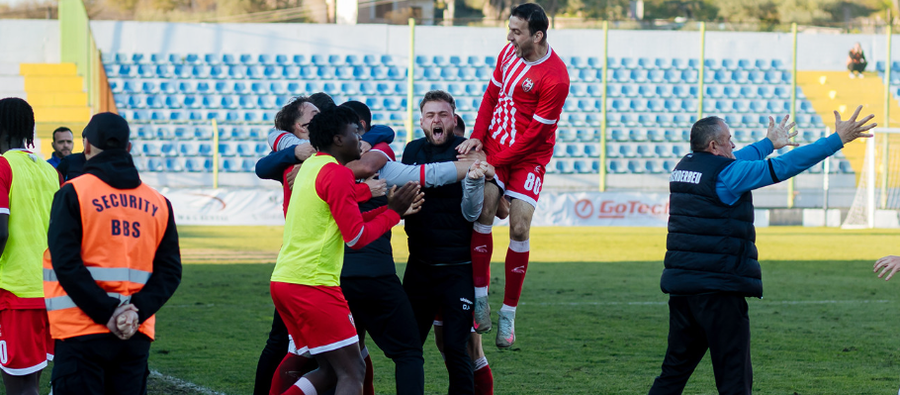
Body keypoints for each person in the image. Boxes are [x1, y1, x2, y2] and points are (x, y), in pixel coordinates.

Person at [647, 106, 876, 395]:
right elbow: (784, 166)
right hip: (718, 291)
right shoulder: (728, 175)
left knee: (672, 374)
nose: (734, 144)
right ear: (714, 145)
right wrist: (836, 140)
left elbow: (737, 159)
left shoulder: (686, 167)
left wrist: (769, 143)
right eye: (729, 139)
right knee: (734, 381)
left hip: (683, 290)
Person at [270, 107, 420, 395]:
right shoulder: (336, 174)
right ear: (339, 139)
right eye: (355, 132)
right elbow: (356, 238)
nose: (360, 138)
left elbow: (343, 221)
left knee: (329, 370)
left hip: (287, 280)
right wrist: (393, 214)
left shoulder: (311, 167)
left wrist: (388, 210)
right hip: (313, 284)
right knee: (353, 371)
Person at [456, 2, 570, 348]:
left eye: (516, 31)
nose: (509, 35)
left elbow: (535, 135)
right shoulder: (506, 53)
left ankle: (508, 315)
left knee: (519, 225)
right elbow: (491, 96)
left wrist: (497, 162)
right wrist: (477, 135)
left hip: (529, 157)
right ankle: (480, 299)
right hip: (494, 147)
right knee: (485, 210)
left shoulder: (556, 77)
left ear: (537, 35)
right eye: (510, 28)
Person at [43, 112, 182, 395]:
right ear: (128, 148)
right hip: (134, 332)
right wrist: (135, 312)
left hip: (80, 330)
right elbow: (170, 271)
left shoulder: (73, 192)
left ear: (88, 147)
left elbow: (66, 264)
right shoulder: (159, 202)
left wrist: (107, 313)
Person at [402, 90, 491, 395]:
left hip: (459, 270)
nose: (436, 120)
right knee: (409, 347)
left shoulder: (471, 153)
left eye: (443, 114)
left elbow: (492, 206)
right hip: (420, 269)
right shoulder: (411, 151)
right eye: (430, 115)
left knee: (456, 348)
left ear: (454, 119)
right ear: (422, 121)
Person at [0, 98, 59, 395]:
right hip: (48, 290)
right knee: (30, 382)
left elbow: (0, 231)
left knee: (18, 388)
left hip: (15, 291)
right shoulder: (50, 171)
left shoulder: (3, 166)